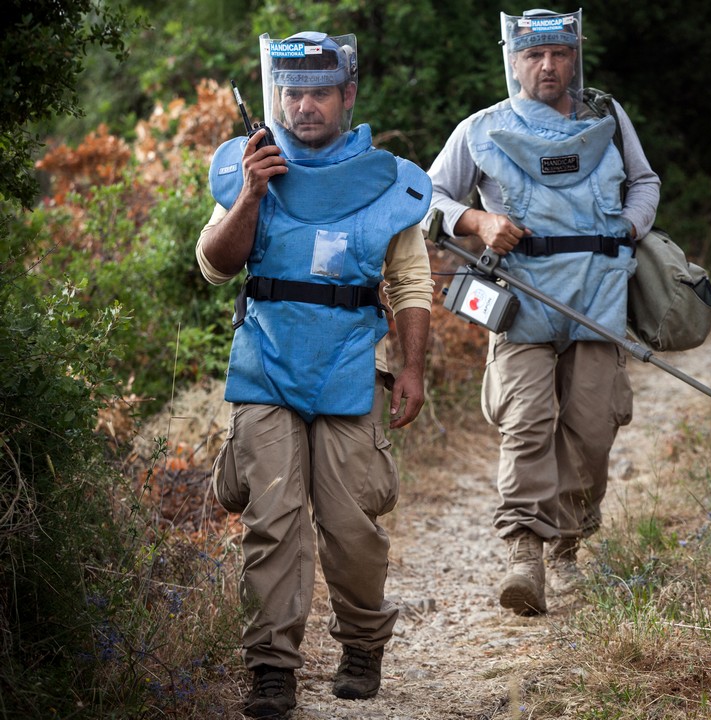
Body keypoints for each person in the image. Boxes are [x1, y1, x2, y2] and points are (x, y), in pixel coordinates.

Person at [197, 30, 434, 718]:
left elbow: (411, 280)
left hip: (350, 364)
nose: (304, 106)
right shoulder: (251, 164)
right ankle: (271, 669)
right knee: (272, 520)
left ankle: (362, 643)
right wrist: (250, 193)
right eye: (292, 92)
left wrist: (412, 368)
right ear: (276, 96)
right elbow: (215, 265)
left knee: (351, 522)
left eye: (319, 92)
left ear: (347, 96)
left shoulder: (387, 180)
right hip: (266, 364)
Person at [426, 8, 660, 615]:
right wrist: (478, 221)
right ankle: (525, 554)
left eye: (559, 54)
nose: (548, 66)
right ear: (513, 59)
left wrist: (630, 228)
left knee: (592, 426)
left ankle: (568, 550)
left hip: (598, 295)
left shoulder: (607, 117)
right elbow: (426, 195)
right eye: (534, 56)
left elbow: (645, 182)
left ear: (575, 54)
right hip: (520, 298)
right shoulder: (480, 129)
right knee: (527, 420)